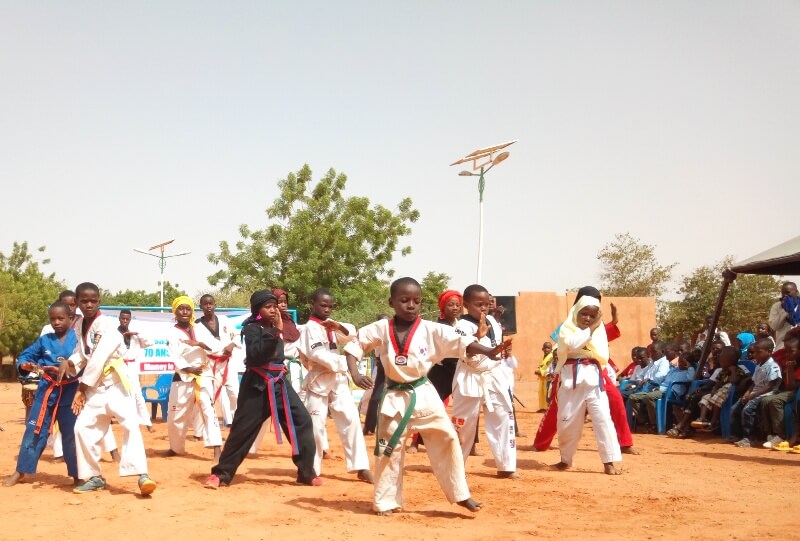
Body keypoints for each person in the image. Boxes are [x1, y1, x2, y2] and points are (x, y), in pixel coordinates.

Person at [343, 277, 510, 515]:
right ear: (392, 302)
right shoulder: (380, 328)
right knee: (389, 450)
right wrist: (355, 373)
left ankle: (460, 494)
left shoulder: (432, 329)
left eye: (416, 301)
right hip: (393, 396)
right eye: (404, 300)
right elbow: (355, 346)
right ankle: (386, 501)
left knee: (448, 439)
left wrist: (490, 351)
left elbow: (463, 342)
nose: (411, 305)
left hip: (423, 393)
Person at [205, 290, 319, 488]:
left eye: (275, 306)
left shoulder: (280, 326)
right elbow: (258, 355)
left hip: (280, 383)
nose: (273, 310)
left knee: (302, 421)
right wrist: (276, 332)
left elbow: (294, 337)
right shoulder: (251, 329)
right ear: (258, 310)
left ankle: (306, 473)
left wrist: (280, 329)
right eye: (268, 307)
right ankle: (221, 473)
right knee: (242, 430)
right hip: (256, 385)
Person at [68, 282, 156, 495]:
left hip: (116, 386)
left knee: (130, 426)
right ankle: (94, 476)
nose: (89, 304)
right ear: (77, 303)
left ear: (99, 301)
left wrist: (80, 389)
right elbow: (84, 353)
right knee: (82, 429)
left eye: (93, 300)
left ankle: (142, 475)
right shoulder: (80, 325)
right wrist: (70, 362)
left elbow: (98, 358)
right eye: (84, 301)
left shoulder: (106, 324)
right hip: (96, 389)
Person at [533, 288, 636, 455]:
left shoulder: (597, 322)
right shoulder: (569, 322)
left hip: (596, 369)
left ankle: (625, 442)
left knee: (616, 399)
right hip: (569, 368)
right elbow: (561, 345)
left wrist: (613, 322)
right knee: (557, 408)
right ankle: (541, 442)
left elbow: (599, 338)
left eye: (596, 299)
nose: (592, 302)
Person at [297, 288, 372, 483]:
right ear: (311, 304)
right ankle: (311, 470)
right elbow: (317, 355)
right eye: (323, 305)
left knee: (351, 419)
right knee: (315, 426)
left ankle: (360, 466)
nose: (327, 309)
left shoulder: (330, 326)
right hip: (318, 379)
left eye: (330, 306)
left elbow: (352, 334)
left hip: (338, 379)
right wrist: (347, 365)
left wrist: (337, 326)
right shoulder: (309, 328)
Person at [4, 302, 79, 487]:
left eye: (61, 318)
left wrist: (68, 369)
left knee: (72, 434)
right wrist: (24, 365)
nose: (56, 322)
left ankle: (78, 475)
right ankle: (21, 471)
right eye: (53, 319)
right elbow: (26, 356)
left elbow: (85, 363)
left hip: (70, 392)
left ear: (71, 319)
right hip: (46, 391)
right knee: (33, 430)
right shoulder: (45, 340)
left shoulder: (78, 341)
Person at [451, 284, 517, 479]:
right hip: (470, 375)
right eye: (478, 304)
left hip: (494, 375)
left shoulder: (492, 322)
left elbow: (496, 346)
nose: (483, 308)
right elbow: (464, 349)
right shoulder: (461, 326)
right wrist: (477, 336)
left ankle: (506, 466)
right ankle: (455, 466)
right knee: (463, 424)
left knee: (502, 418)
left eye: (486, 304)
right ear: (466, 304)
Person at [551, 292, 621, 475]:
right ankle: (565, 460)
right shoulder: (567, 328)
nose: (588, 318)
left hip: (593, 378)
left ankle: (609, 462)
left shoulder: (599, 331)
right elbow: (573, 345)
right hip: (570, 378)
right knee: (566, 421)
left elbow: (603, 354)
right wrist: (592, 329)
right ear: (576, 312)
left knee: (603, 419)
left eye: (592, 315)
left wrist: (598, 327)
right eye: (584, 314)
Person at [164, 296, 226, 462]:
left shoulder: (200, 328)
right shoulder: (172, 332)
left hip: (203, 375)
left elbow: (216, 347)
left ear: (192, 311)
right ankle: (176, 448)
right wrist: (188, 368)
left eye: (188, 309)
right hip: (182, 376)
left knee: (209, 411)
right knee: (175, 417)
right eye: (181, 308)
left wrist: (199, 343)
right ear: (175, 311)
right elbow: (174, 355)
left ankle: (217, 449)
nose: (185, 312)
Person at [409, 290, 464, 453]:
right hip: (440, 371)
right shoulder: (438, 326)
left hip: (458, 369)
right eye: (450, 305)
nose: (455, 308)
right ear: (443, 307)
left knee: (465, 408)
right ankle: (414, 442)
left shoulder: (460, 325)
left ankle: (470, 444)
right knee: (428, 407)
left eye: (457, 305)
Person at [675, 346, 745, 436]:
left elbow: (734, 381)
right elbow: (717, 383)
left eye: (722, 360)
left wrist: (732, 371)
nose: (719, 361)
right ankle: (702, 418)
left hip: (729, 391)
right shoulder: (721, 371)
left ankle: (714, 420)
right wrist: (714, 389)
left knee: (713, 397)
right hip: (718, 390)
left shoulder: (738, 370)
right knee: (705, 398)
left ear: (729, 361)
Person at [195, 294, 239, 428]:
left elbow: (236, 335)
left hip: (228, 362)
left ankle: (237, 421)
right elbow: (200, 344)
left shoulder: (224, 319)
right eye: (205, 304)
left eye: (211, 303)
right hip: (211, 363)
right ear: (200, 306)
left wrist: (231, 345)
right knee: (215, 395)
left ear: (215, 305)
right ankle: (223, 423)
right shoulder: (196, 325)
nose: (208, 306)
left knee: (234, 393)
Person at [732, 338, 782, 448]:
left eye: (759, 352)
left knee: (748, 409)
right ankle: (736, 435)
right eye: (755, 352)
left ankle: (749, 438)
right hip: (754, 393)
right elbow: (754, 383)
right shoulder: (759, 365)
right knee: (735, 409)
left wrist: (753, 395)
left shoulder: (772, 366)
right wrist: (747, 393)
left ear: (769, 352)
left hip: (767, 393)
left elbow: (771, 386)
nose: (755, 355)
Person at [627, 352, 695, 430]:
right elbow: (663, 378)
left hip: (671, 392)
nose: (679, 363)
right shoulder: (674, 370)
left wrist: (690, 367)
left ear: (687, 363)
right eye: (679, 361)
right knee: (633, 397)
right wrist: (650, 379)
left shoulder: (689, 371)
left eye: (682, 362)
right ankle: (644, 420)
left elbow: (690, 379)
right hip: (660, 389)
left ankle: (654, 424)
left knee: (649, 397)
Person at [760, 334, 800, 448]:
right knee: (765, 400)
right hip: (786, 390)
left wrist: (790, 370)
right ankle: (770, 434)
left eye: (791, 351)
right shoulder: (788, 360)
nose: (787, 355)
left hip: (795, 391)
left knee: (775, 401)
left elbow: (791, 387)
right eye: (785, 351)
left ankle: (780, 435)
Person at [118, 309, 153, 431]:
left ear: (130, 320)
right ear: (119, 318)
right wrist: (122, 336)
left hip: (132, 367)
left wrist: (137, 333)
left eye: (127, 319)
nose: (125, 321)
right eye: (123, 318)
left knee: (137, 394)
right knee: (119, 394)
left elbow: (150, 343)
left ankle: (148, 423)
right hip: (118, 367)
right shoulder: (115, 333)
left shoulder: (135, 335)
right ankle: (123, 421)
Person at [769, 282, 800, 351]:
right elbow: (775, 326)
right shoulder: (777, 306)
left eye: (788, 292)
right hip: (782, 347)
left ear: (796, 292)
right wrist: (784, 311)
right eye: (783, 293)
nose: (785, 295)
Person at [536, 342, 553, 411]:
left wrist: (542, 372)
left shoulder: (551, 357)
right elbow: (540, 366)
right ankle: (542, 407)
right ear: (542, 349)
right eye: (545, 348)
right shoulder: (542, 357)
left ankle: (547, 408)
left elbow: (550, 368)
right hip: (541, 378)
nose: (546, 349)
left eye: (548, 348)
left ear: (551, 349)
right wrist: (538, 370)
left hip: (548, 378)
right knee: (541, 392)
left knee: (547, 392)